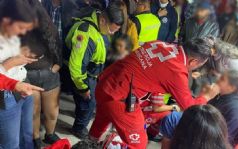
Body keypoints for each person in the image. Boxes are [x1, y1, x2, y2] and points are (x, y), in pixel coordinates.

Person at [80, 38, 219, 149]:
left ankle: (87, 144)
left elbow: (147, 71)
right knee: (139, 143)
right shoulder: (177, 70)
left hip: (105, 83)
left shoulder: (159, 43)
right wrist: (207, 96)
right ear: (194, 61)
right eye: (198, 65)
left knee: (100, 123)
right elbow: (190, 107)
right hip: (120, 99)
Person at [65, 2, 124, 139]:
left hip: (93, 73)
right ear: (103, 20)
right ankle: (79, 128)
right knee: (88, 103)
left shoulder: (99, 24)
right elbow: (76, 66)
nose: (112, 33)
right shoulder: (85, 33)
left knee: (86, 103)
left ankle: (81, 114)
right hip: (84, 76)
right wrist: (83, 88)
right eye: (111, 30)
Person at [160, 70, 238, 148]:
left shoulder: (234, 107)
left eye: (222, 79)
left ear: (231, 87)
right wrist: (203, 95)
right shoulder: (220, 94)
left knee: (172, 119)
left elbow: (224, 137)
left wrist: (206, 96)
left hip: (210, 135)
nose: (218, 80)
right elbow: (199, 110)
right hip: (204, 122)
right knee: (172, 118)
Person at [21, 0, 62, 147]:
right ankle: (36, 138)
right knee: (34, 112)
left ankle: (50, 135)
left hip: (49, 75)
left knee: (52, 112)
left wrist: (55, 68)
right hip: (27, 76)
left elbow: (59, 49)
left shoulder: (48, 28)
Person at [0, 0, 37, 148]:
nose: (22, 32)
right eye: (21, 27)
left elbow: (16, 63)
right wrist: (11, 63)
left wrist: (25, 58)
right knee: (11, 144)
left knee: (26, 134)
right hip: (6, 95)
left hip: (23, 84)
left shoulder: (13, 34)